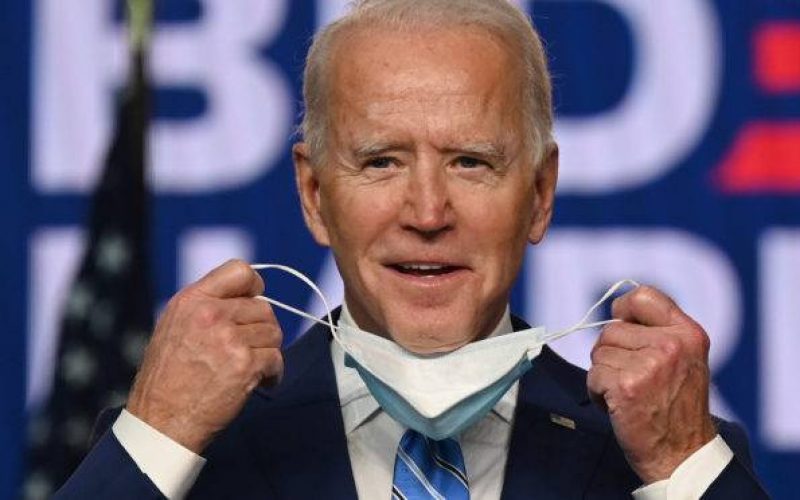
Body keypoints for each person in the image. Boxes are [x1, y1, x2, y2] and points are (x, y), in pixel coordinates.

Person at [57, 0, 767, 498]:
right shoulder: (193, 450)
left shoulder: (660, 452)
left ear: (541, 193)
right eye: (381, 162)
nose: (427, 213)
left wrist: (681, 468)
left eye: (470, 162)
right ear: (313, 194)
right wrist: (158, 439)